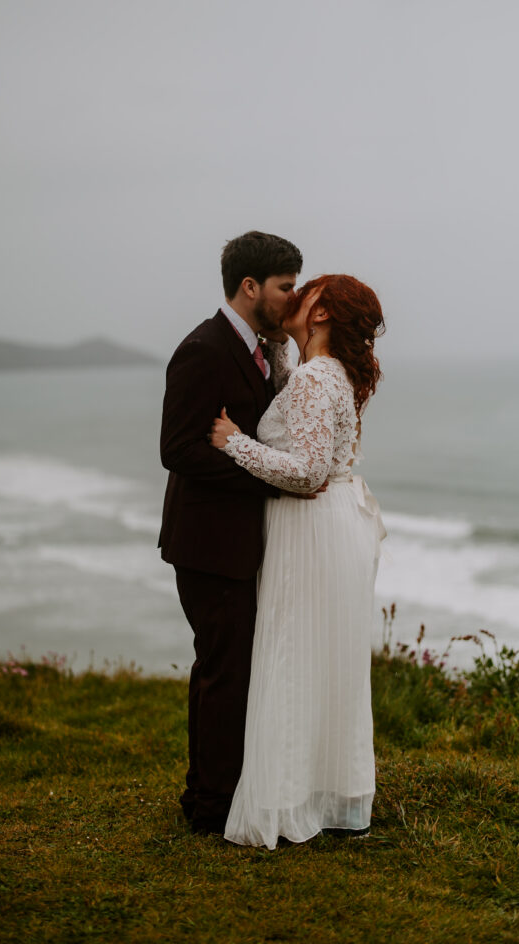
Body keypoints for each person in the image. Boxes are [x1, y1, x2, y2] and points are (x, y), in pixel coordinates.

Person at [210, 273, 386, 849]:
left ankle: (285, 802)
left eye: (305, 291)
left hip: (309, 527)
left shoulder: (316, 377)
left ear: (322, 313)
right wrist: (283, 345)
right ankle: (334, 798)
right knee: (328, 662)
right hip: (335, 526)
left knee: (292, 656)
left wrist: (234, 442)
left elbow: (307, 471)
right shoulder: (329, 372)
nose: (294, 294)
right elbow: (298, 412)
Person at [159, 230, 303, 835]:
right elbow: (177, 449)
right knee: (225, 671)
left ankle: (208, 793)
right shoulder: (203, 349)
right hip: (208, 544)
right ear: (250, 287)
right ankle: (212, 807)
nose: (293, 299)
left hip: (236, 543)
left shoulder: (263, 350)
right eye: (285, 287)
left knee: (224, 667)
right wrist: (266, 475)